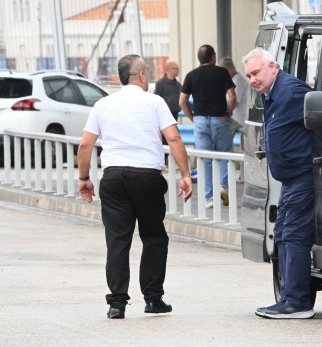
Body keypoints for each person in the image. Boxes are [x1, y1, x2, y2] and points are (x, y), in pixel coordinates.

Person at [77, 54, 193, 320]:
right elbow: (173, 138)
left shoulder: (103, 104)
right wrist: (185, 174)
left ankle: (116, 304)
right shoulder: (154, 102)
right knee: (153, 237)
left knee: (118, 240)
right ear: (141, 75)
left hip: (114, 178)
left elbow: (85, 145)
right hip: (147, 177)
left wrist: (84, 178)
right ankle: (153, 299)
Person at [242, 47, 315, 319]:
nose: (252, 79)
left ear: (272, 66)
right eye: (248, 75)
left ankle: (297, 302)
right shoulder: (271, 94)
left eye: (256, 72)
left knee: (294, 236)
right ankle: (288, 298)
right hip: (288, 180)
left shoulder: (292, 91)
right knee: (283, 234)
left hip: (301, 177)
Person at [179, 44, 236, 208]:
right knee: (224, 155)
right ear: (213, 57)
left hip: (201, 121)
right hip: (220, 119)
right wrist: (228, 113)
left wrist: (193, 117)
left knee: (204, 159)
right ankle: (223, 186)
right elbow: (232, 96)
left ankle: (209, 198)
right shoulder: (222, 72)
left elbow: (182, 102)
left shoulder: (191, 75)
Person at [219, 57, 249, 146]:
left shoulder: (238, 81)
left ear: (227, 71)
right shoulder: (234, 79)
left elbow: (234, 102)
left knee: (221, 131)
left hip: (237, 118)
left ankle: (225, 155)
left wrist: (224, 112)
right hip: (236, 117)